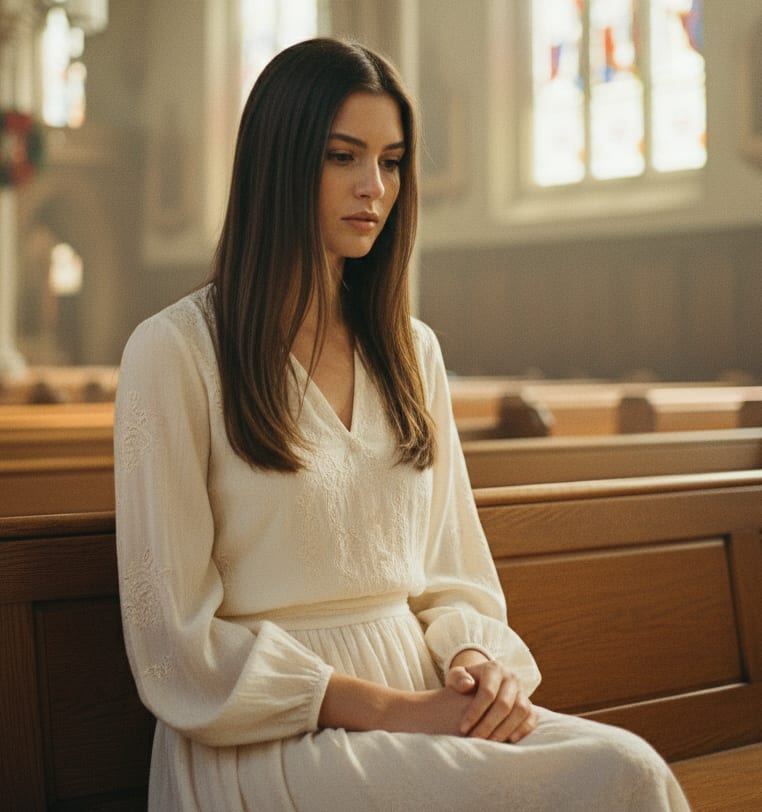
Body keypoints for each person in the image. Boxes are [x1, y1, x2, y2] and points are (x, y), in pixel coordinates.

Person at [114, 37, 691, 811]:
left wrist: (478, 661)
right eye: (342, 156)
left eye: (391, 161)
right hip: (264, 733)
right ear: (278, 162)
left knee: (632, 765)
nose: (373, 188)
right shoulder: (175, 352)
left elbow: (454, 577)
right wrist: (396, 711)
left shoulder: (414, 352)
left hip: (423, 694)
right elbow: (174, 647)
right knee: (602, 781)